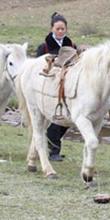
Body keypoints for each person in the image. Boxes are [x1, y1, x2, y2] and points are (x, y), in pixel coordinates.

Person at [36, 12, 77, 161]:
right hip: (50, 85)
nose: (60, 32)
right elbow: (38, 66)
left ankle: (52, 142)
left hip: (66, 84)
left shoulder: (71, 45)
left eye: (63, 29)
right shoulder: (44, 46)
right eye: (57, 29)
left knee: (67, 118)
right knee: (55, 116)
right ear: (52, 29)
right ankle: (54, 151)